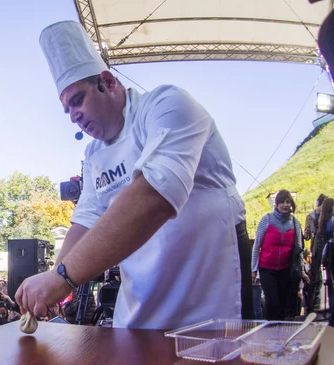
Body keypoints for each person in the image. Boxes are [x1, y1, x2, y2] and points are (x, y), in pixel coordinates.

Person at [16, 20, 246, 329]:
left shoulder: (167, 105)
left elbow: (155, 195)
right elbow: (85, 221)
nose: (73, 116)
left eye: (77, 100)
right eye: (67, 110)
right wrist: (54, 277)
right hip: (138, 309)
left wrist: (64, 276)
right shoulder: (93, 153)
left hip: (204, 300)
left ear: (108, 82)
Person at [251, 190, 303, 320]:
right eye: (282, 202)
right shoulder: (266, 219)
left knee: (283, 304)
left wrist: (301, 270)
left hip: (285, 270)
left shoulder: (295, 223)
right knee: (272, 303)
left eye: (288, 202)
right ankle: (270, 331)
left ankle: (280, 335)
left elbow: (299, 249)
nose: (285, 205)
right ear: (276, 203)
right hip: (267, 269)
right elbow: (257, 246)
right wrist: (253, 269)